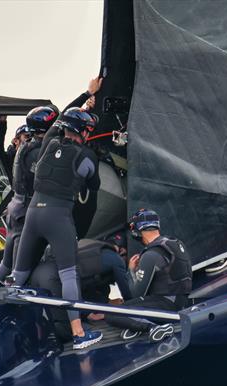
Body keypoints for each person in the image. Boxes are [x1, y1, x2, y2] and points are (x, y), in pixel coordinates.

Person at [10, 106, 103, 350]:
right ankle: (79, 333)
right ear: (82, 132)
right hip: (57, 217)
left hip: (32, 215)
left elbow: (54, 126)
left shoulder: (48, 144)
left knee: (18, 276)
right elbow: (93, 184)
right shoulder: (86, 157)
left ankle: (9, 328)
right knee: (68, 274)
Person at [0, 77, 103, 280]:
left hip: (15, 211)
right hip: (29, 214)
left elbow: (61, 121)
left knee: (6, 267)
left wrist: (85, 101)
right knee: (20, 274)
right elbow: (61, 122)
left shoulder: (25, 147)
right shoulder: (43, 150)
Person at [106, 209, 192, 341]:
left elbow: (136, 294)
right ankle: (137, 326)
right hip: (181, 301)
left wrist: (131, 271)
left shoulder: (150, 255)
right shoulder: (173, 242)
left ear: (137, 229)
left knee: (111, 313)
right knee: (129, 307)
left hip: (167, 305)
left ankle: (151, 328)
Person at [29, 236, 131, 341]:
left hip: (41, 279)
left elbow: (87, 287)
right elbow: (127, 293)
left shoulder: (89, 245)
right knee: (66, 326)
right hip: (56, 281)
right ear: (120, 249)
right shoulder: (114, 258)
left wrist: (95, 309)